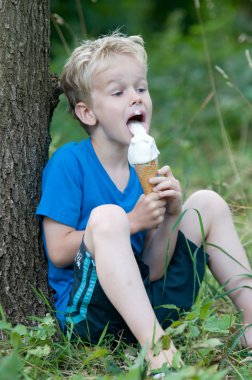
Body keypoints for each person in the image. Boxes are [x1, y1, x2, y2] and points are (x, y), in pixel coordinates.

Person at [36, 32, 252, 371]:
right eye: (119, 92)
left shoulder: (144, 171)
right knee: (108, 217)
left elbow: (154, 266)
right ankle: (158, 351)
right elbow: (59, 250)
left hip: (145, 304)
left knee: (206, 202)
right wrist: (131, 221)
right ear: (88, 113)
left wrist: (171, 217)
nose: (136, 98)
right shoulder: (70, 163)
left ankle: (251, 323)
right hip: (92, 316)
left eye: (141, 88)